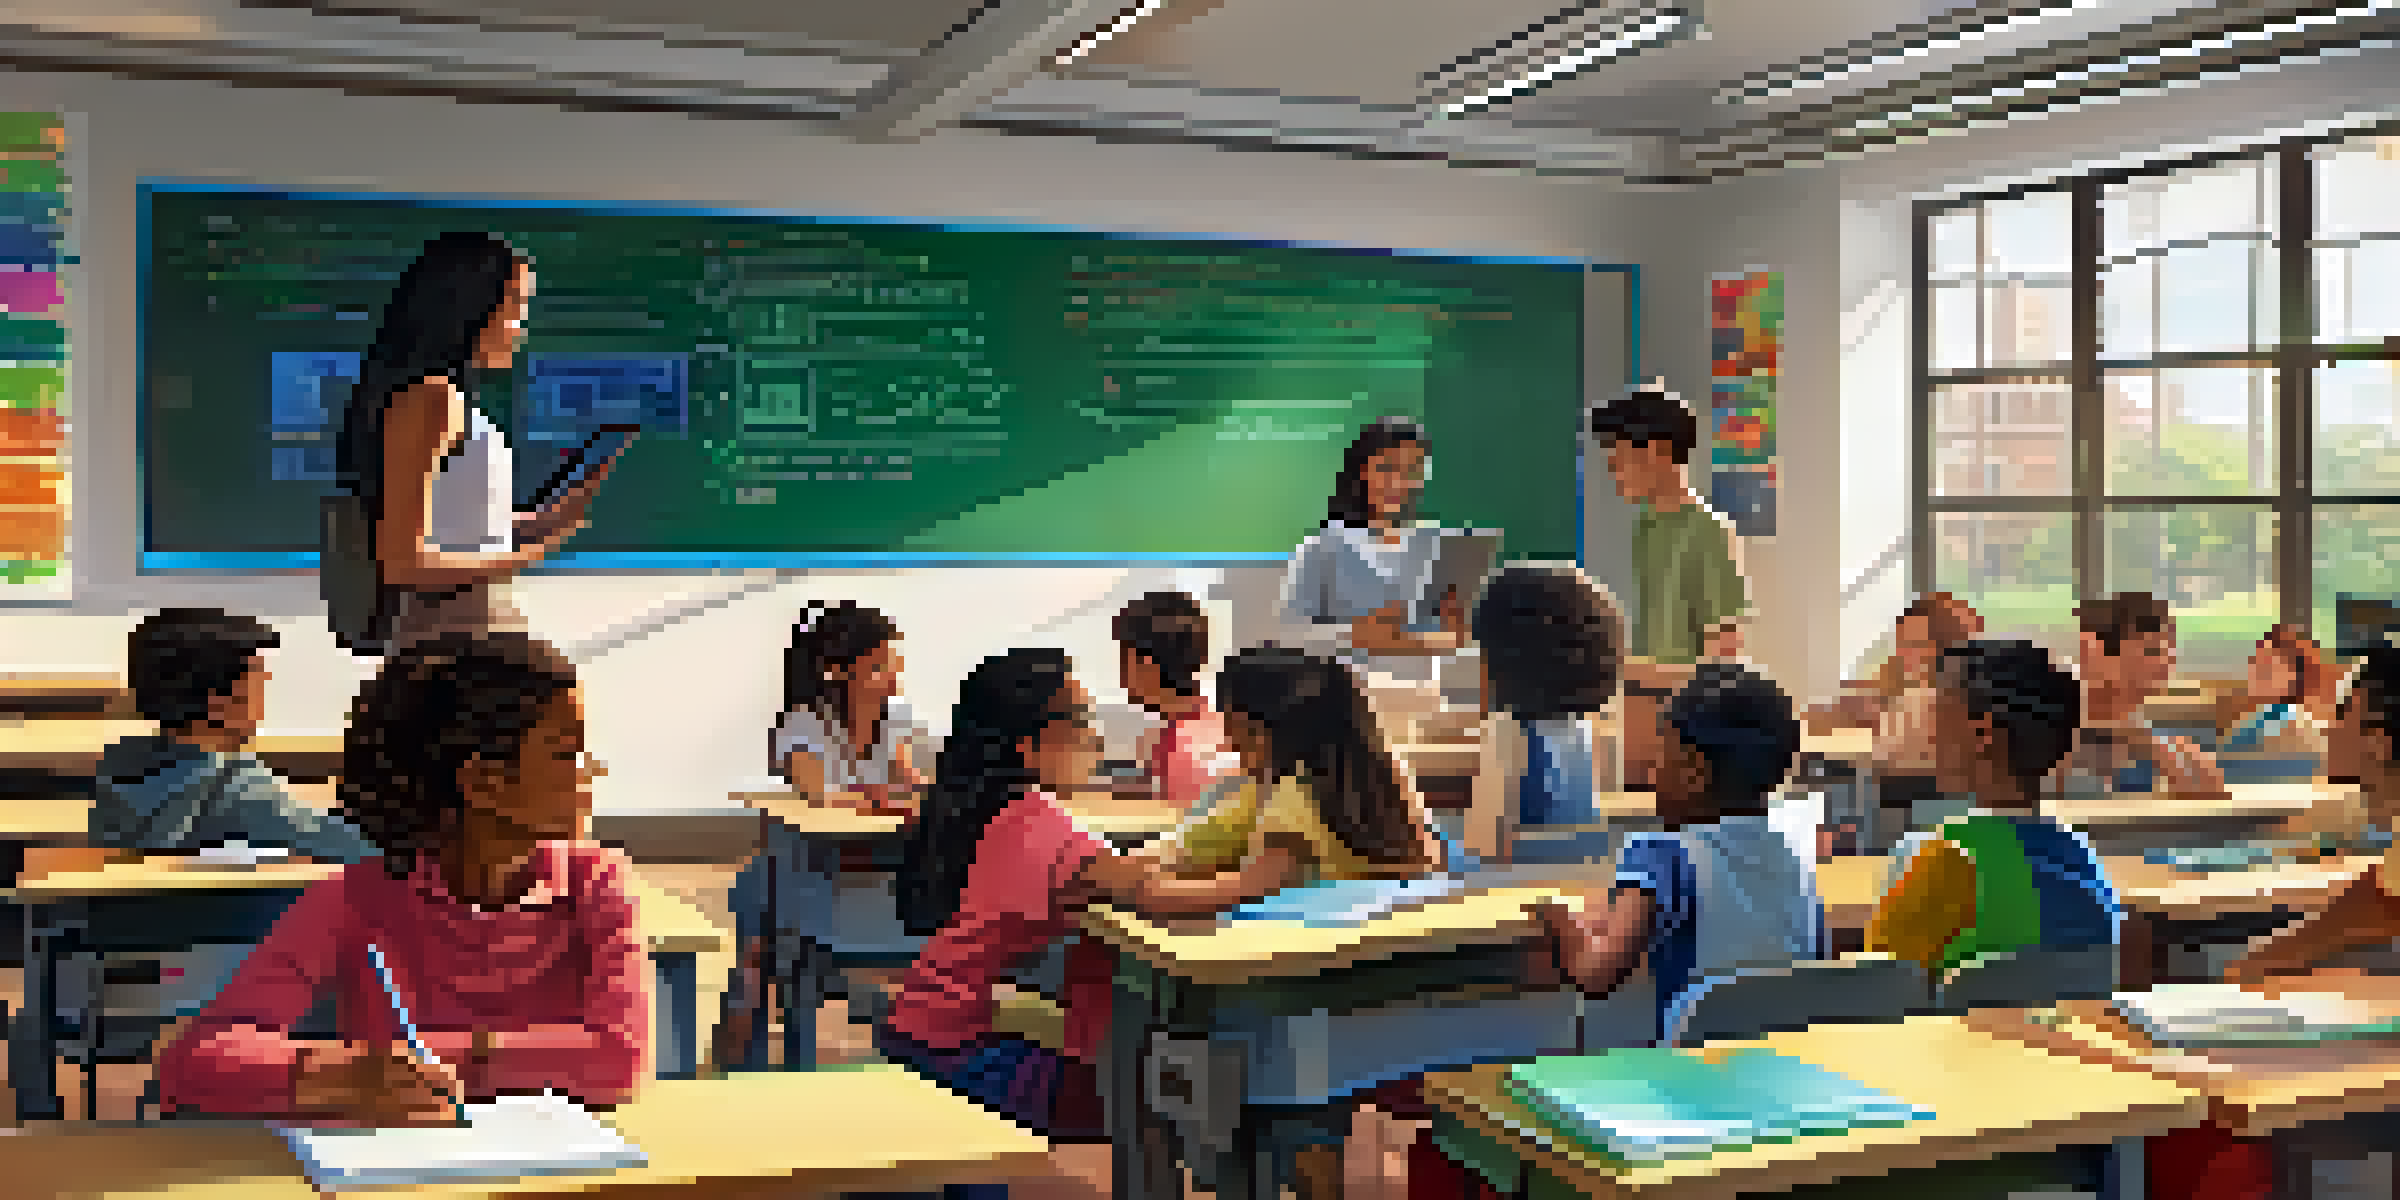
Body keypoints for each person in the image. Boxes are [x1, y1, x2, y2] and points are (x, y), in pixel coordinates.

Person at [156, 633, 645, 1124]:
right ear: (483, 783)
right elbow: (192, 1064)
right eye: (567, 754)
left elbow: (618, 1061)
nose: (591, 772)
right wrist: (337, 1073)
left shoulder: (595, 884)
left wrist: (440, 1054)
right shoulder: (360, 897)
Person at [882, 649, 1332, 1145]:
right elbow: (1153, 893)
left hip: (930, 1030)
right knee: (1212, 1096)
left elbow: (1135, 874)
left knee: (1187, 1077)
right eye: (1080, 721)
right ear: (1028, 746)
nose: (1096, 737)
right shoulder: (1045, 828)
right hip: (970, 1054)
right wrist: (1269, 874)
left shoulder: (1004, 814)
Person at [333, 232, 618, 651]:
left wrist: (538, 522)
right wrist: (532, 554)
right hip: (448, 633)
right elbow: (402, 560)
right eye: (516, 311)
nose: (521, 330)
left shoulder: (448, 400)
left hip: (468, 623)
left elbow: (454, 526)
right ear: (471, 309)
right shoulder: (431, 399)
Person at [715, 601, 926, 1071]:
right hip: (802, 870)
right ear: (838, 672)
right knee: (759, 930)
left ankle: (760, 1017)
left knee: (766, 929)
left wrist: (902, 792)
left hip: (860, 878)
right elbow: (817, 795)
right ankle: (746, 1052)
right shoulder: (804, 724)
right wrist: (880, 795)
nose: (894, 674)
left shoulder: (895, 721)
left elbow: (911, 782)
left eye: (895, 660)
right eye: (879, 665)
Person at [1866, 639, 2119, 975]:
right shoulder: (2084, 859)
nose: (1929, 737)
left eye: (1938, 720)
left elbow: (1882, 983)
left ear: (1982, 733)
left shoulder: (1941, 860)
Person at [95, 608, 373, 862]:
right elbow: (355, 849)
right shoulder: (238, 790)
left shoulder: (120, 767)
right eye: (259, 680)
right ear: (220, 703)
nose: (265, 688)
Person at [1586, 383, 1750, 787]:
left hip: (1685, 730)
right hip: (1643, 714)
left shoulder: (1709, 532)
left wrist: (1627, 670)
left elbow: (1722, 666)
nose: (1611, 470)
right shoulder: (1647, 526)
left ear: (1658, 452)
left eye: (1619, 458)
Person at [1280, 418, 1471, 716]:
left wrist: (1456, 631)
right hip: (1345, 706)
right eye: (1388, 469)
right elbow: (1290, 636)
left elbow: (1448, 641)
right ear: (1363, 471)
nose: (1400, 483)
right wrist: (1354, 635)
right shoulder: (1323, 547)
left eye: (1413, 472)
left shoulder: (1436, 546)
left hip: (1423, 705)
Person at [1464, 564, 1625, 864]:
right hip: (1571, 883)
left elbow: (1482, 855)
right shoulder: (1584, 732)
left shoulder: (1509, 737)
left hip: (1513, 892)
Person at [2049, 592, 2227, 801]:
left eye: (2169, 651)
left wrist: (2146, 742)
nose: (2166, 663)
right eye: (2152, 651)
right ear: (2098, 652)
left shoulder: (2166, 745)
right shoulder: (2054, 728)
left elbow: (2212, 796)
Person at [1111, 590, 1236, 820]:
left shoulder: (1185, 753)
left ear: (1144, 666)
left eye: (1123, 661)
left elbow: (1180, 847)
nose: (1120, 678)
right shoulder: (1211, 723)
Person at [2220, 624, 2337, 756]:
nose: (2254, 673)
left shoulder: (2298, 726)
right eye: (2255, 663)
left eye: (2266, 669)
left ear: (2294, 676)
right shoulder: (2257, 718)